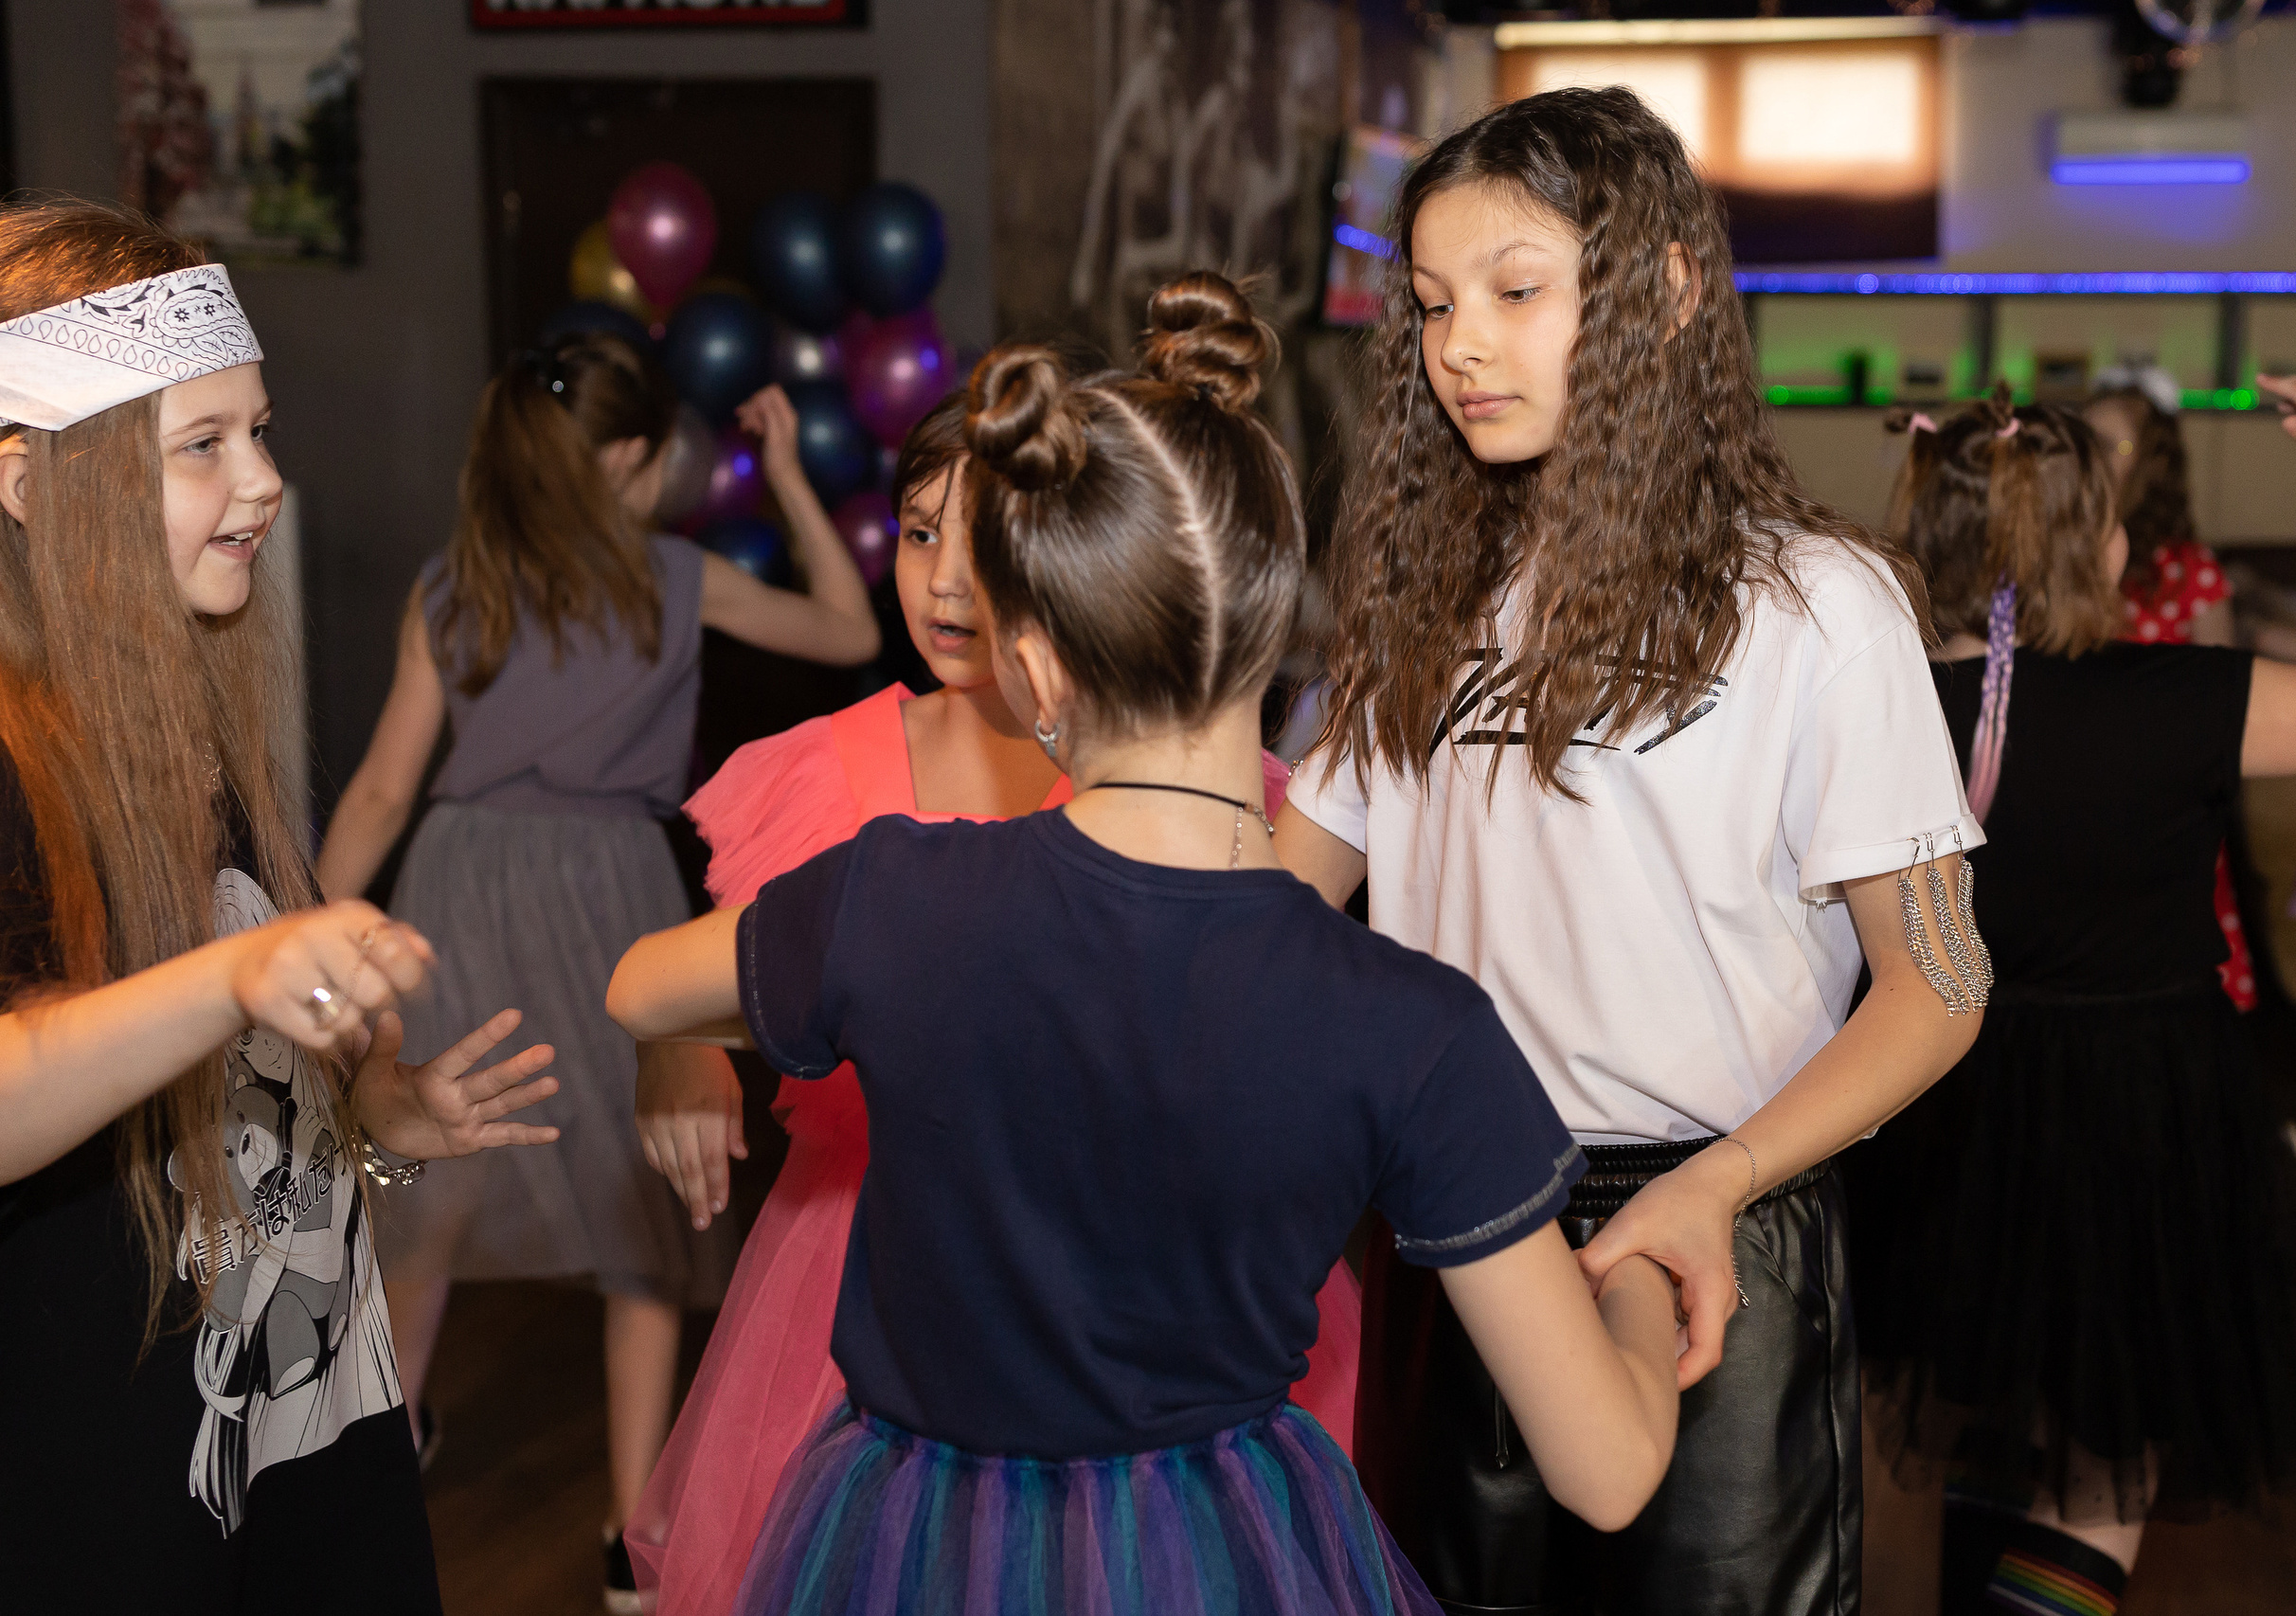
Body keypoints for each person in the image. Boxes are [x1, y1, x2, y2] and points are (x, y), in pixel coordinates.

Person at [605, 273, 1685, 1616]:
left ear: (1038, 666)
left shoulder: (893, 899)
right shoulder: (1409, 1019)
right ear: (1285, 626)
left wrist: (745, 1024)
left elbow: (639, 985)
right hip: (1224, 1551)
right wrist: (1636, 1278)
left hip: (911, 1543)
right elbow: (1610, 1469)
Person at [1273, 89, 1985, 1615]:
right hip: (1456, 1232)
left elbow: (1943, 980)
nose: (1462, 343)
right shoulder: (1422, 607)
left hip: (1719, 1228)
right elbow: (1272, 906)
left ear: (1660, 293)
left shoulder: (1820, 605)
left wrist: (1717, 1185)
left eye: (1517, 291)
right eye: (1434, 305)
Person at [0, 201, 562, 1611]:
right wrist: (239, 975)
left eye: (261, 431)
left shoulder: (168, 706)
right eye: (204, 445)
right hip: (95, 1513)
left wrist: (374, 1120)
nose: (263, 481)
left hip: (285, 1452)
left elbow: (214, 1120)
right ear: (24, 482)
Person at [619, 385, 1368, 1612]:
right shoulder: (814, 776)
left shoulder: (1185, 784)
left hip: (1122, 1304)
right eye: (920, 535)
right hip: (852, 1290)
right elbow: (708, 973)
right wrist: (679, 1057)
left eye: (989, 543)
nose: (947, 583)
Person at [314, 348, 878, 1610]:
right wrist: (789, 478)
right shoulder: (675, 579)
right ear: (625, 461)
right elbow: (847, 624)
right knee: (646, 1211)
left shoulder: (451, 586)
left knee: (426, 1186)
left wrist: (300, 939)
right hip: (617, 899)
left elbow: (383, 788)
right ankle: (634, 1534)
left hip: (456, 890)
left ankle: (387, 1456)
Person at [1845, 391, 2296, 1615]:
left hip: (1943, 1107)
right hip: (2142, 1124)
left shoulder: (1875, 713)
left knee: (1983, 1417)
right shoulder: (2191, 695)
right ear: (2103, 547)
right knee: (2106, 1473)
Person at [2083, 372, 2263, 1012]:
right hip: (2080, 803)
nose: (2089, 458)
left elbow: (2218, 700)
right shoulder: (2062, 563)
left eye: (2107, 444)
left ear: (2149, 465)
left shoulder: (2190, 570)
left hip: (2166, 811)